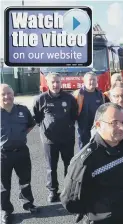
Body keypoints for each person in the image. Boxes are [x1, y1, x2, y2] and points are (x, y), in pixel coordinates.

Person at [62, 103, 123, 224]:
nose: (122, 127)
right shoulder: (86, 161)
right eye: (114, 123)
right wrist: (99, 213)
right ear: (98, 125)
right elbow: (70, 201)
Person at [33, 73, 78, 203]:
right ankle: (53, 191)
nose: (55, 84)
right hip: (49, 140)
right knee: (51, 166)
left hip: (67, 138)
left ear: (61, 82)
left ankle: (68, 189)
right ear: (48, 83)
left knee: (69, 165)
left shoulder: (69, 98)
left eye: (58, 82)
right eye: (53, 82)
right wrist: (47, 128)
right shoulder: (41, 99)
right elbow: (37, 117)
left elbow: (74, 115)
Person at [0, 84, 38, 224]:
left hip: (22, 151)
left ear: (13, 94)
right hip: (2, 155)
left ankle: (28, 203)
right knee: (4, 185)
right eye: (3, 94)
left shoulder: (22, 109)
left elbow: (30, 124)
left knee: (25, 180)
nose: (7, 97)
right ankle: (6, 210)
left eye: (9, 93)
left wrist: (19, 136)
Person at [72, 72, 105, 150]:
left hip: (96, 126)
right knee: (84, 147)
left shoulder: (100, 94)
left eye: (94, 80)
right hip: (83, 126)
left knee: (98, 146)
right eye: (90, 80)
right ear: (84, 81)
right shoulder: (78, 94)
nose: (92, 82)